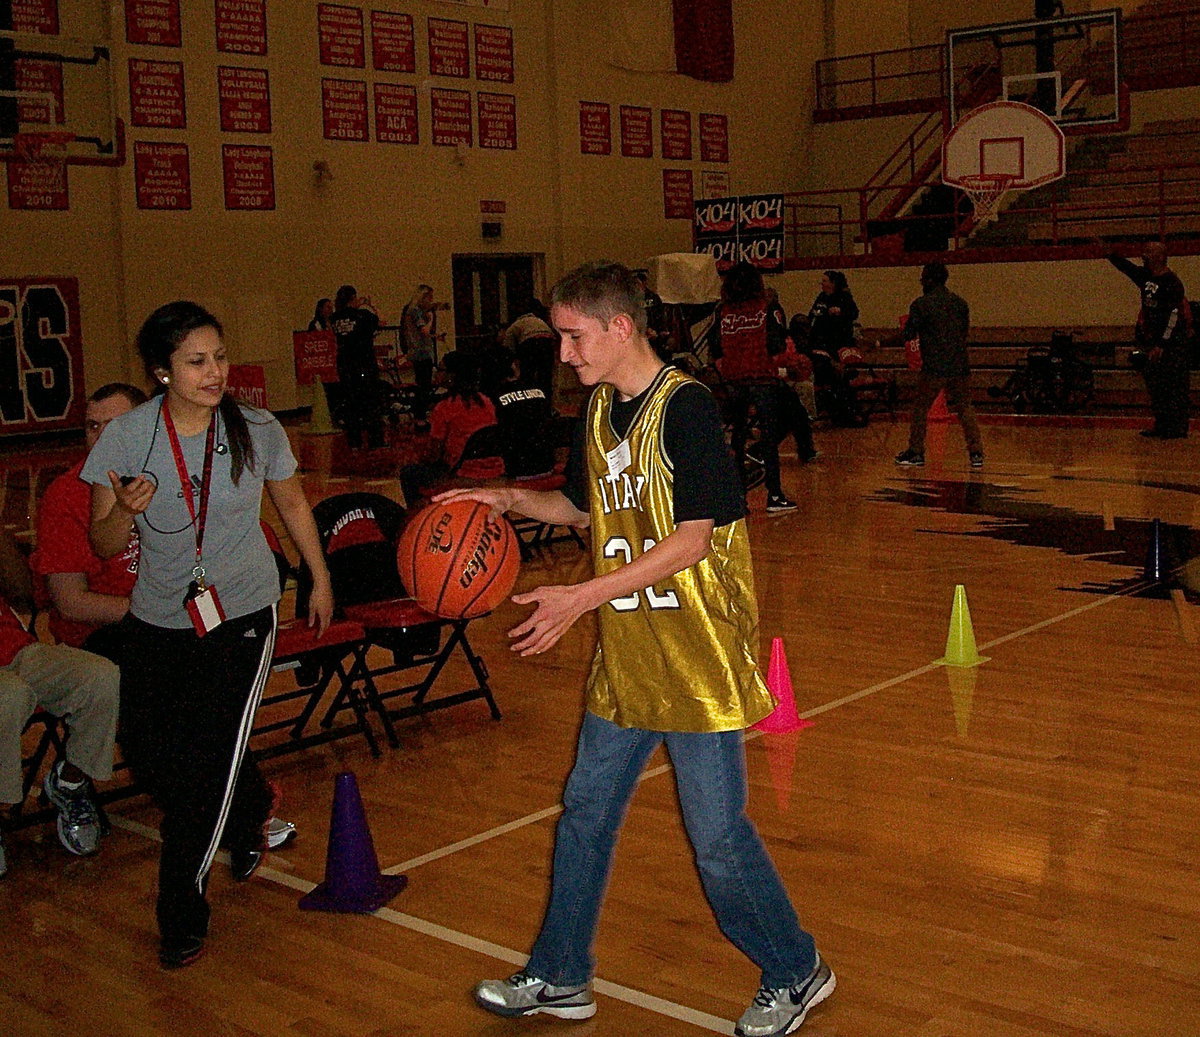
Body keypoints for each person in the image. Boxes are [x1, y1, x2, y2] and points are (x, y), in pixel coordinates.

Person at [438, 261, 834, 1037]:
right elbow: (587, 509)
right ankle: (560, 973)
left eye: (572, 336)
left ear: (620, 328)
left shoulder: (685, 410)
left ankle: (796, 968)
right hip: (628, 656)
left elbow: (692, 542)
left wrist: (579, 596)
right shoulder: (595, 412)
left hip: (694, 657)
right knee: (584, 813)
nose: (563, 353)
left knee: (718, 842)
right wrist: (510, 500)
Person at [83, 301, 334, 970]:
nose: (214, 371)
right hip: (158, 618)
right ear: (162, 372)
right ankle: (248, 805)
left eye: (218, 357)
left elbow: (290, 502)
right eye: (196, 361)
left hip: (245, 613)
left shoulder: (254, 427)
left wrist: (317, 574)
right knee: (151, 749)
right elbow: (102, 540)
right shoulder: (128, 437)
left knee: (201, 774)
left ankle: (181, 912)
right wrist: (126, 514)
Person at [31, 383, 298, 851]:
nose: (101, 438)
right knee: (162, 693)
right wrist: (160, 616)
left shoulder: (183, 472)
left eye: (113, 426)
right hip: (104, 633)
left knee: (215, 686)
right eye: (91, 427)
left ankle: (232, 807)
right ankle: (225, 811)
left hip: (175, 621)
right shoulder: (67, 496)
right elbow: (71, 603)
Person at [0, 528, 120, 879]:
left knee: (99, 676)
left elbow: (24, 594)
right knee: (10, 695)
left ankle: (69, 782)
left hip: (15, 649)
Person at [712, 262, 818, 513]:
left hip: (734, 380)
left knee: (737, 437)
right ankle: (774, 494)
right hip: (762, 378)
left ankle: (738, 498)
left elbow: (715, 348)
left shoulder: (723, 312)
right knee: (769, 439)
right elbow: (776, 345)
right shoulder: (765, 309)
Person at [895, 261, 984, 468]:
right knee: (965, 408)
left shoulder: (921, 304)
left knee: (920, 408)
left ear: (929, 280)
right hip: (959, 364)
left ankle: (916, 451)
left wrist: (879, 342)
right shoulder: (960, 303)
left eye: (923, 277)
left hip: (934, 365)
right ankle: (976, 453)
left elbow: (908, 334)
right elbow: (964, 333)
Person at [1108, 244, 1192, 439]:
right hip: (1152, 340)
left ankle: (1178, 427)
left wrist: (1162, 344)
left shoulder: (1172, 282)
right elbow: (1128, 269)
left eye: (1149, 252)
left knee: (1175, 385)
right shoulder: (1146, 277)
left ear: (1161, 256)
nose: (1143, 255)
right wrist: (1111, 255)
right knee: (1157, 386)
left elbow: (1174, 315)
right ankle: (1162, 424)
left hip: (1172, 343)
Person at [399, 351, 503, 507]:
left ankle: (417, 518)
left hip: (461, 473)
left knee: (408, 472)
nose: (436, 373)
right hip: (494, 469)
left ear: (452, 376)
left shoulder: (445, 408)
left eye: (440, 369)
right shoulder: (486, 402)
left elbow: (434, 455)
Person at [806, 270, 865, 427]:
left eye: (825, 281)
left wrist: (841, 312)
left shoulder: (844, 298)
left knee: (838, 377)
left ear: (833, 283)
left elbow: (853, 313)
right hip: (820, 344)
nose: (822, 284)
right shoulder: (821, 298)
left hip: (837, 345)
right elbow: (812, 315)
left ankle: (845, 412)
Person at [486, 347, 555, 479]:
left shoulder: (490, 398)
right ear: (514, 365)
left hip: (515, 471)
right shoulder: (538, 389)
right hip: (547, 467)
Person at [331, 284, 385, 449]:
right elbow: (382, 321)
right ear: (353, 298)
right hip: (364, 364)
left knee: (351, 403)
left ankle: (354, 441)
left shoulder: (334, 318)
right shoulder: (363, 315)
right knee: (371, 402)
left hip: (345, 366)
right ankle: (375, 440)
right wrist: (370, 305)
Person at [401, 284, 444, 428]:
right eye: (429, 297)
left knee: (423, 385)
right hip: (421, 353)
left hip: (418, 350)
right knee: (423, 386)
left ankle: (420, 416)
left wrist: (435, 336)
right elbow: (424, 330)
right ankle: (420, 417)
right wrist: (431, 319)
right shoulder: (416, 311)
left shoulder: (410, 310)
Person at [502, 298, 557, 404]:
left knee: (527, 376)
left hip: (529, 344)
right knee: (545, 377)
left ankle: (528, 403)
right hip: (547, 343)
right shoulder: (539, 321)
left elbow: (507, 349)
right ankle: (547, 405)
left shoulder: (515, 326)